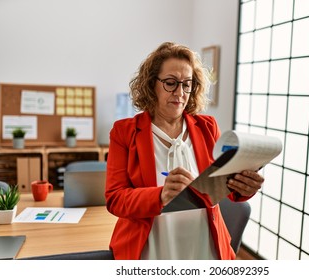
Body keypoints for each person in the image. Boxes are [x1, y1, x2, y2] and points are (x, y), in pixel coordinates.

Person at [105, 42, 264, 260]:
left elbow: (223, 186)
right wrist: (159, 195)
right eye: (171, 83)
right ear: (152, 84)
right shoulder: (124, 132)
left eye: (187, 84)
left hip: (204, 247)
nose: (180, 92)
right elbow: (115, 199)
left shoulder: (208, 127)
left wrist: (245, 187)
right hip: (150, 249)